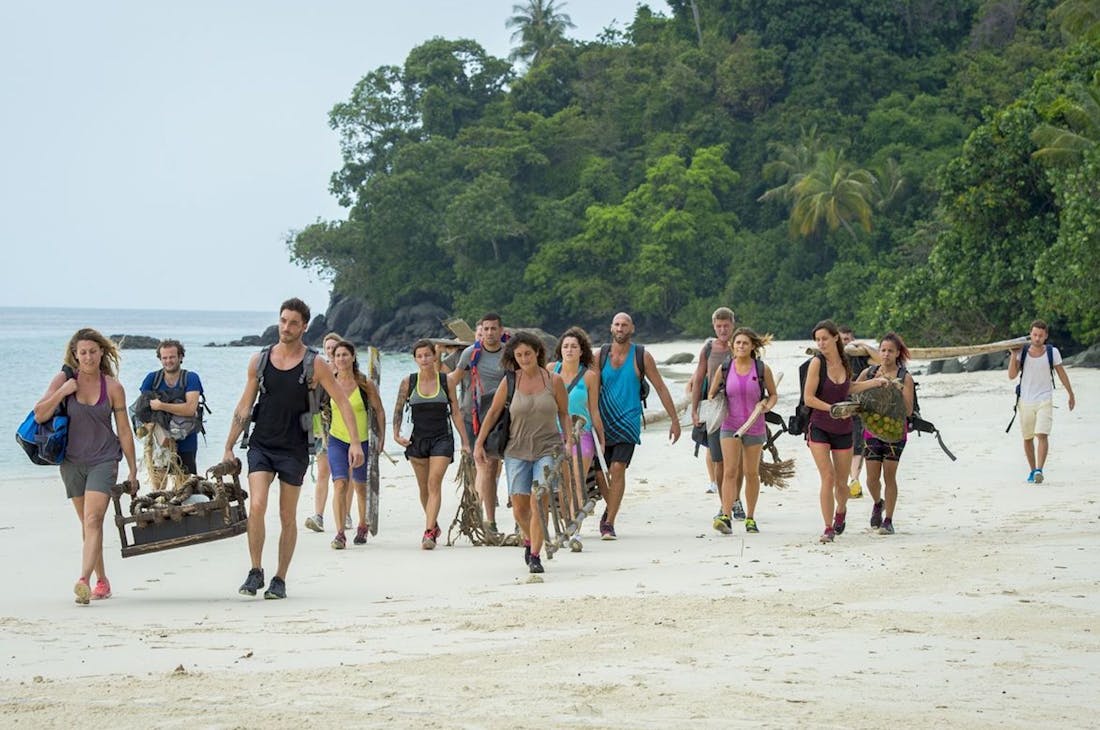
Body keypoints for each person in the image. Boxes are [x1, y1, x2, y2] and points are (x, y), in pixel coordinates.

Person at [222, 298, 364, 600]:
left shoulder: (316, 364)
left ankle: (280, 578)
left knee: (287, 515)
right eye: (283, 320)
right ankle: (255, 570)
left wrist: (354, 442)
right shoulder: (259, 361)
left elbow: (341, 402)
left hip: (294, 449)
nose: (286, 327)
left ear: (304, 327)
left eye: (293, 323)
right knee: (257, 505)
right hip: (261, 444)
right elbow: (244, 406)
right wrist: (228, 446)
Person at [34, 328, 138, 604]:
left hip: (104, 459)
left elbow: (124, 430)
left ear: (102, 352)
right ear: (75, 355)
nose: (89, 357)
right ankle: (102, 580)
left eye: (93, 351)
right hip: (71, 463)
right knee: (88, 524)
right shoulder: (64, 380)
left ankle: (83, 580)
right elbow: (40, 413)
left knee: (94, 520)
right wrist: (64, 391)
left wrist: (133, 469)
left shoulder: (113, 387)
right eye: (83, 352)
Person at [474, 332, 572, 574]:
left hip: (547, 448)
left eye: (528, 353)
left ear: (537, 352)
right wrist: (479, 443)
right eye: (519, 355)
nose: (524, 358)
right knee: (519, 507)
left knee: (539, 501)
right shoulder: (510, 381)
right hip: (516, 450)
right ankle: (529, 539)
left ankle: (535, 555)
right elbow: (494, 412)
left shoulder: (554, 380)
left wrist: (568, 440)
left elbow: (563, 413)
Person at [596, 312, 682, 539]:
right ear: (611, 328)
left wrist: (674, 419)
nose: (620, 328)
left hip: (627, 422)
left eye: (625, 325)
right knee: (599, 472)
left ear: (632, 329)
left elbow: (661, 387)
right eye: (617, 324)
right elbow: (583, 384)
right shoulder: (600, 355)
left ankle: (609, 522)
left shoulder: (642, 356)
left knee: (617, 468)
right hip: (601, 424)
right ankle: (611, 506)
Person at [803, 320, 890, 543]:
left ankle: (840, 511)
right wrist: (831, 408)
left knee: (842, 482)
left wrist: (875, 383)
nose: (821, 343)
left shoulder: (845, 361)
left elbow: (848, 388)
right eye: (817, 339)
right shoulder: (816, 363)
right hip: (820, 425)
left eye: (824, 338)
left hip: (843, 427)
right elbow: (809, 398)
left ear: (835, 338)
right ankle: (828, 527)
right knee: (828, 477)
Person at [394, 339, 469, 549]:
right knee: (423, 487)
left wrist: (465, 441)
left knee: (434, 482)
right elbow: (399, 409)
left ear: (434, 356)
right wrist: (395, 434)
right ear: (415, 359)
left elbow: (455, 412)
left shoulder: (446, 381)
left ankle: (428, 534)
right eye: (420, 356)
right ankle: (433, 524)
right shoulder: (408, 382)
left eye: (427, 355)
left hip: (442, 439)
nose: (424, 359)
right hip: (416, 439)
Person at [707, 327, 778, 534]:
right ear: (732, 345)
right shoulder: (725, 368)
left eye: (745, 343)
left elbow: (773, 394)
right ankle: (726, 516)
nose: (741, 346)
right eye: (738, 343)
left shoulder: (762, 369)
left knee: (751, 473)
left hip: (755, 425)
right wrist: (716, 401)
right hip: (729, 425)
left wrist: (767, 405)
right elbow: (712, 395)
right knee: (730, 471)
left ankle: (750, 518)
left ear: (753, 346)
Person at [449, 313, 508, 533]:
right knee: (483, 465)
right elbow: (453, 380)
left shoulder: (507, 355)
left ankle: (487, 519)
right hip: (471, 416)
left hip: (499, 417)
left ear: (501, 331)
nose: (489, 333)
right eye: (486, 329)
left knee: (491, 466)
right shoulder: (470, 353)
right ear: (480, 331)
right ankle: (478, 515)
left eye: (494, 329)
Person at [325, 340, 385, 550]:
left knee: (360, 487)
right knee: (340, 484)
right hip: (337, 441)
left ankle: (362, 525)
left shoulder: (364, 383)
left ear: (352, 357)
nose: (341, 359)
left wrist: (382, 438)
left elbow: (379, 410)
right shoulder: (330, 382)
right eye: (337, 355)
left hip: (363, 441)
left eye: (344, 355)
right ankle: (340, 533)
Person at [853, 333, 914, 535]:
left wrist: (893, 390)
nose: (886, 354)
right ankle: (878, 503)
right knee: (871, 478)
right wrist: (874, 386)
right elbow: (852, 391)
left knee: (889, 476)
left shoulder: (905, 378)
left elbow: (907, 410)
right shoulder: (868, 373)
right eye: (883, 350)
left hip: (895, 431)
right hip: (872, 430)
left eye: (890, 351)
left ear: (897, 354)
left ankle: (888, 520)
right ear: (878, 352)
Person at [545, 327, 605, 520]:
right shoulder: (551, 370)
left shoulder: (589, 376)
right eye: (566, 346)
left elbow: (594, 410)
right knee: (563, 484)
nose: (569, 350)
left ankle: (575, 528)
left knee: (578, 481)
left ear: (581, 351)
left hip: (582, 434)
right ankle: (568, 520)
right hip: (555, 433)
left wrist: (601, 440)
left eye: (573, 347)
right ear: (560, 350)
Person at [1007, 319, 1076, 484]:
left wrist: (1070, 393)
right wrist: (1012, 355)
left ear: (1046, 336)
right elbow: (1011, 376)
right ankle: (1032, 470)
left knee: (1042, 434)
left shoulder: (1053, 352)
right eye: (1034, 334)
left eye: (1040, 335)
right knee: (1028, 437)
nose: (1037, 338)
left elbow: (1061, 373)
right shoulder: (1021, 352)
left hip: (1045, 398)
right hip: (1025, 400)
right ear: (1030, 334)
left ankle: (1039, 469)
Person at [690, 307, 738, 504]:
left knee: (736, 462)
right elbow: (699, 378)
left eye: (726, 326)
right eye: (719, 326)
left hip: (738, 408)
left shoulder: (741, 345)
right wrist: (694, 410)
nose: (723, 330)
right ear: (714, 326)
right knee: (718, 460)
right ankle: (724, 503)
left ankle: (736, 501)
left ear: (733, 325)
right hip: (714, 408)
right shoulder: (709, 348)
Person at [139, 339, 204, 481]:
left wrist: (161, 406)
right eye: (165, 358)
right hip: (159, 441)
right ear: (160, 359)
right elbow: (142, 408)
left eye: (172, 357)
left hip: (187, 440)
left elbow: (189, 409)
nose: (168, 361)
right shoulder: (152, 378)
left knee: (185, 486)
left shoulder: (191, 378)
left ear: (180, 357)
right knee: (158, 489)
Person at [305, 332, 343, 533]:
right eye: (327, 348)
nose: (331, 352)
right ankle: (318, 515)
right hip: (322, 425)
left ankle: (344, 514)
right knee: (323, 471)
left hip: (344, 425)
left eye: (334, 348)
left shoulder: (349, 374)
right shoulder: (318, 372)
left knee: (344, 473)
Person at [839, 325, 871, 499]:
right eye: (842, 339)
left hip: (858, 407)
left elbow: (879, 359)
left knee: (858, 445)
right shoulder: (832, 358)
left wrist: (863, 346)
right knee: (841, 445)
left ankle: (854, 480)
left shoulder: (861, 358)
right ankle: (843, 481)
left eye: (848, 339)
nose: (846, 343)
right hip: (837, 406)